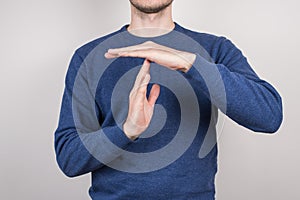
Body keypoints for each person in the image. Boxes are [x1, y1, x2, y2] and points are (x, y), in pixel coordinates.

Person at [54, 0, 283, 199]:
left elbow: (269, 116)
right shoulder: (89, 57)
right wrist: (126, 131)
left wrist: (191, 65)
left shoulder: (214, 49)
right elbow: (69, 157)